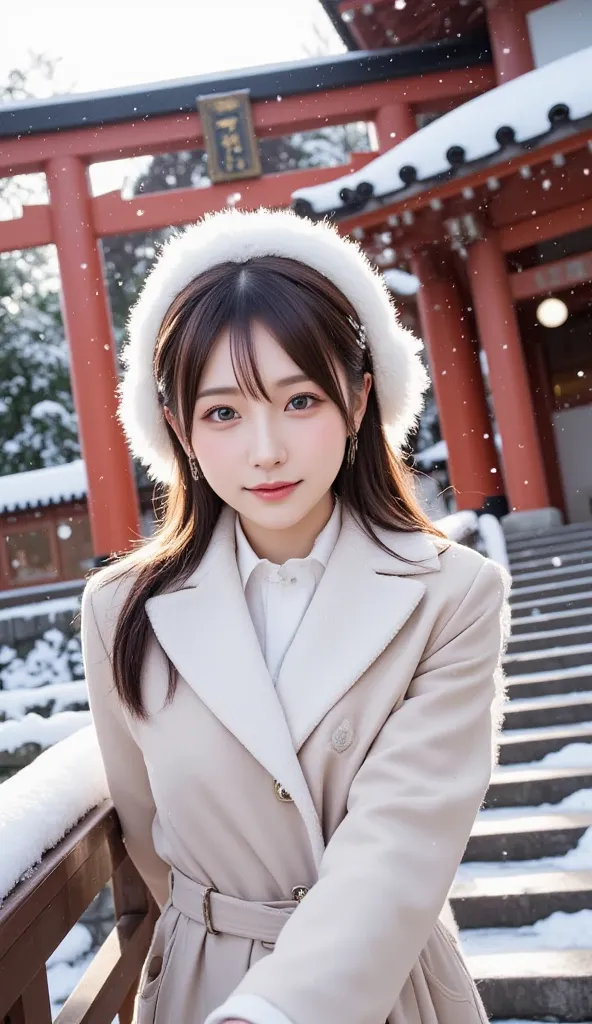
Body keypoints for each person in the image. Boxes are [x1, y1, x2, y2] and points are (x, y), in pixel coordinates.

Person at [81, 208, 511, 1024]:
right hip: (201, 986)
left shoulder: (452, 595)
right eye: (223, 413)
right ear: (177, 429)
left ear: (357, 403)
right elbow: (148, 833)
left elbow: (402, 842)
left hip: (380, 987)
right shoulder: (121, 610)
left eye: (300, 400)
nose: (266, 449)